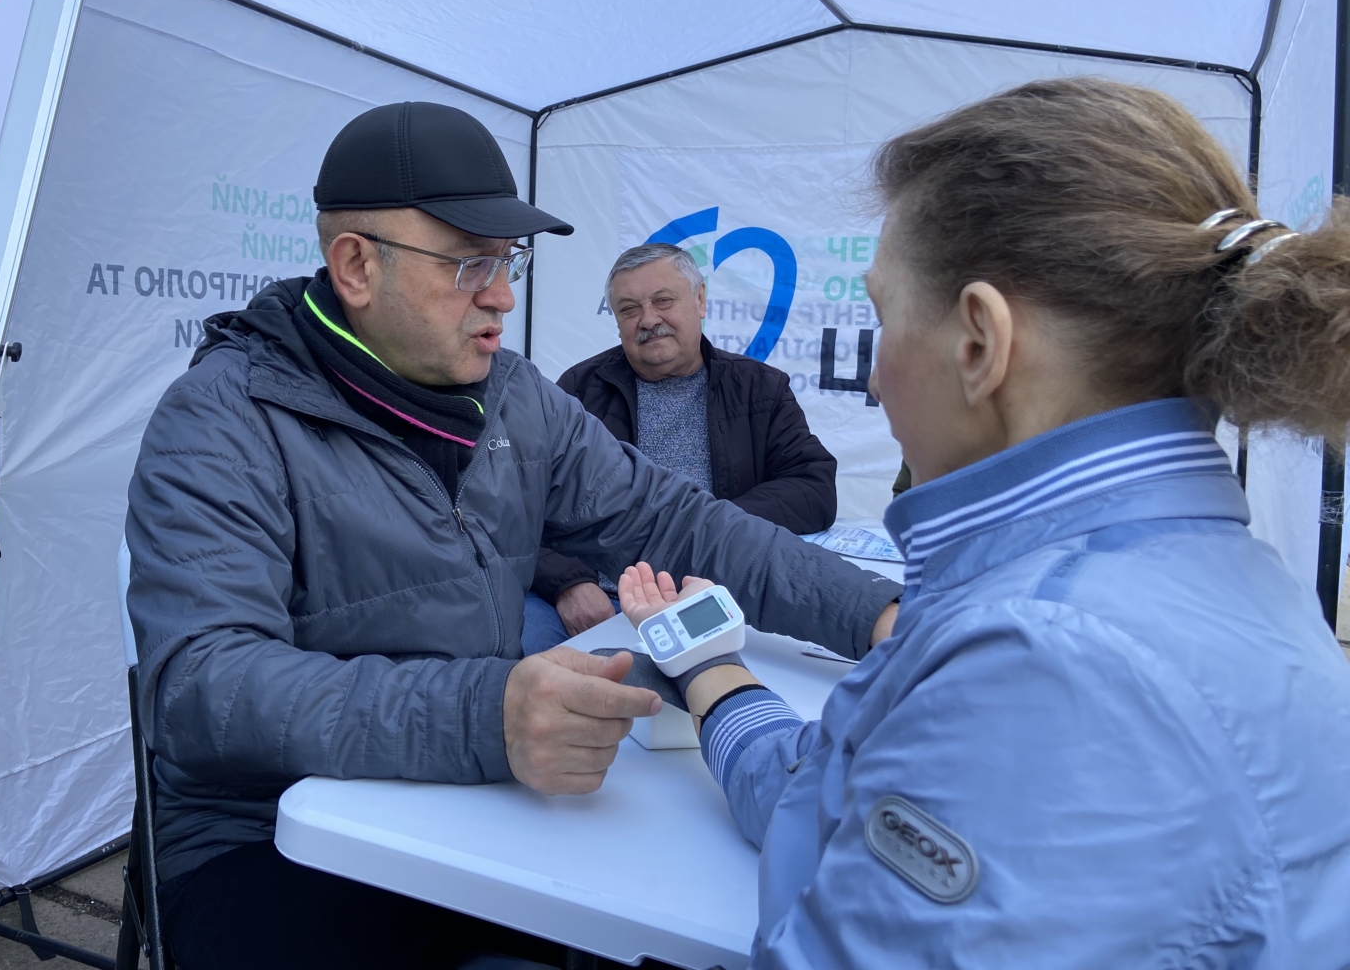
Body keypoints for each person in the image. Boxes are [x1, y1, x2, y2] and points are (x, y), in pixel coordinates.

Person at [124, 101, 903, 970]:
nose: (501, 294)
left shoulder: (516, 397)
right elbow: (200, 686)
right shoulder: (222, 418)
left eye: (509, 260)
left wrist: (881, 617)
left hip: (469, 802)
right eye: (470, 263)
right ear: (356, 266)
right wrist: (488, 717)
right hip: (266, 834)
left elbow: (677, 521)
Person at [618, 78, 1350, 967]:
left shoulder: (1045, 659)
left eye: (883, 319)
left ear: (980, 344)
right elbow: (838, 784)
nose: (876, 378)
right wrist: (711, 675)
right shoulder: (1222, 584)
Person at [525, 242, 839, 654]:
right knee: (521, 662)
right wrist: (568, 584)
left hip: (716, 592)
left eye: (663, 301)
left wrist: (710, 530)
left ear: (700, 300)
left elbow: (813, 487)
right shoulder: (577, 391)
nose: (648, 320)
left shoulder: (759, 388)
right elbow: (521, 503)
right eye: (629, 309)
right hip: (598, 597)